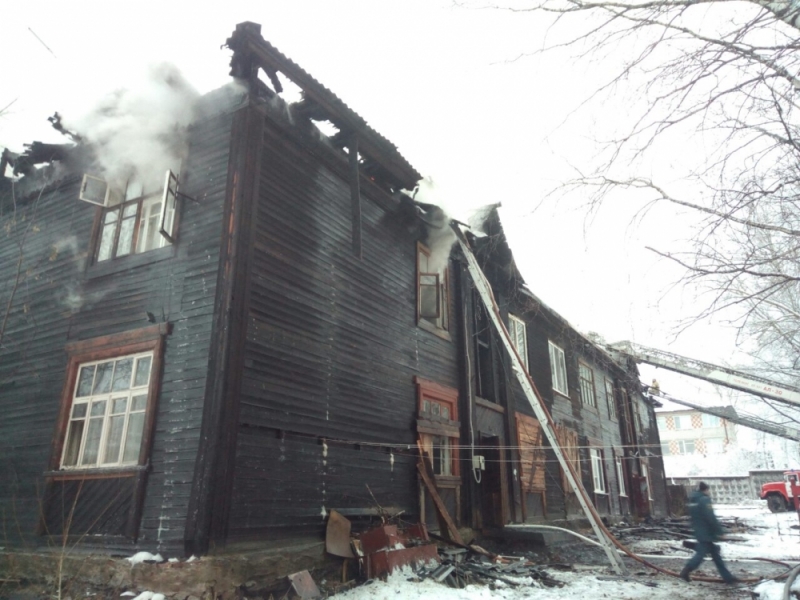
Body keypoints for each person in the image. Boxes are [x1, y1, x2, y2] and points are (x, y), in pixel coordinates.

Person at [680, 482, 738, 583]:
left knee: (716, 555)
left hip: (699, 531)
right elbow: (711, 517)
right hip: (707, 533)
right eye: (708, 490)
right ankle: (686, 571)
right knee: (701, 554)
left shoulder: (693, 500)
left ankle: (728, 577)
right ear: (705, 490)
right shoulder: (704, 500)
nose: (709, 492)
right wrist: (719, 532)